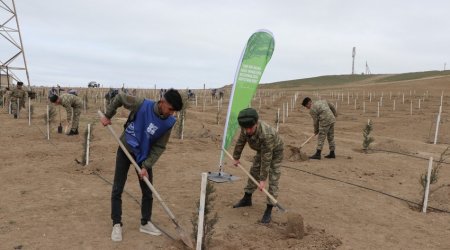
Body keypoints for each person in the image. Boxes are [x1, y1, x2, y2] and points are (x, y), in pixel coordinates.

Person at [100, 88, 183, 242]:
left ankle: (145, 223)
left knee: (148, 191)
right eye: (170, 109)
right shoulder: (142, 104)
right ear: (163, 101)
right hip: (126, 147)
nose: (171, 113)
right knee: (118, 188)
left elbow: (159, 146)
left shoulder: (169, 122)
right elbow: (120, 97)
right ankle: (116, 224)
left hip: (143, 155)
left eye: (174, 111)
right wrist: (107, 115)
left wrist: (146, 165)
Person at [232, 108, 284, 224]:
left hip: (275, 152)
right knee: (253, 171)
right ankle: (247, 198)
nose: (248, 130)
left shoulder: (267, 134)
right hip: (262, 150)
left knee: (274, 178)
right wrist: (236, 157)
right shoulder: (246, 126)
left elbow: (267, 158)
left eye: (251, 128)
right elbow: (241, 141)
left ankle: (269, 208)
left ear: (256, 123)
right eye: (246, 128)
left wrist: (262, 180)